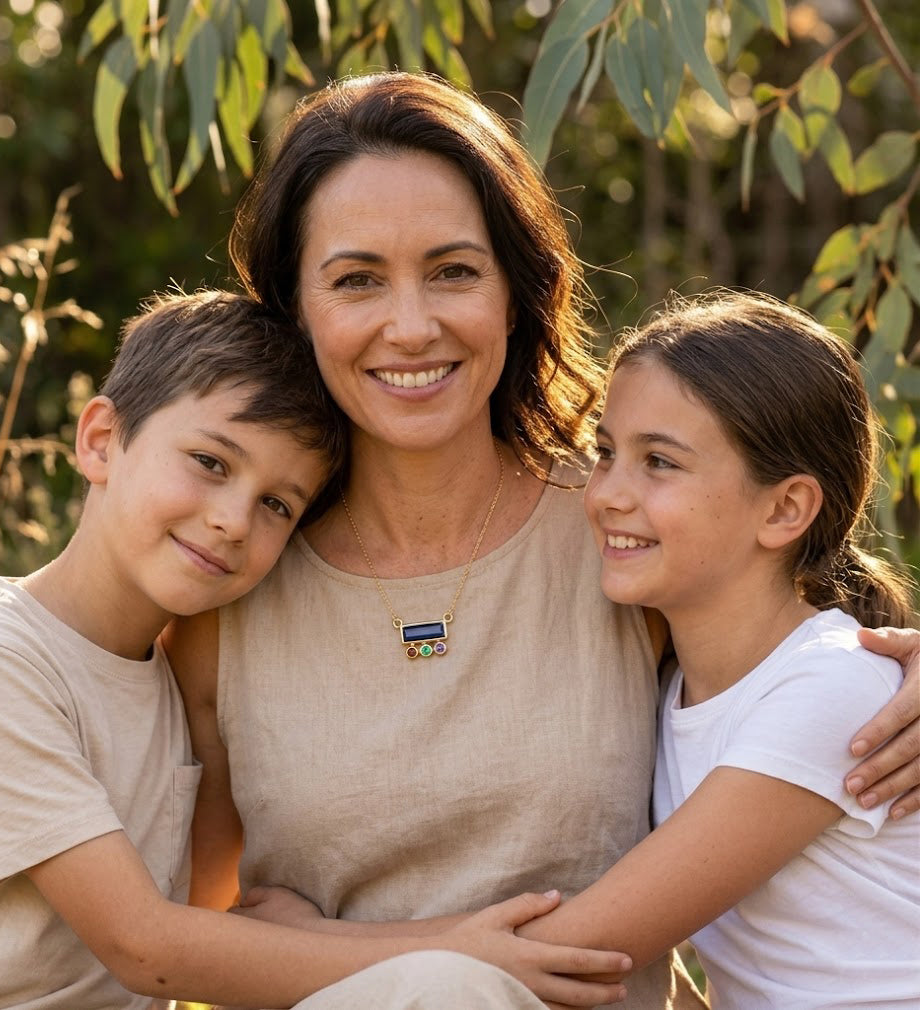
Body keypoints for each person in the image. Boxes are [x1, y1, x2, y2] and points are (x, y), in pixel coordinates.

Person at [166, 73, 920, 1008]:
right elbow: (198, 923)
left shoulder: (621, 539)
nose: (411, 326)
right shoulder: (232, 582)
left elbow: (787, 654)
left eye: (453, 272)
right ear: (295, 308)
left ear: (518, 294)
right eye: (357, 279)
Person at [0, 291, 632, 1010]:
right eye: (210, 463)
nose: (231, 521)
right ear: (100, 442)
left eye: (277, 503)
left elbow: (208, 911)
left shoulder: (169, 671)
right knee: (450, 989)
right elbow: (148, 948)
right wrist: (455, 946)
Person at [574, 292, 919, 1005]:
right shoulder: (670, 685)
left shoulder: (832, 688)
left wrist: (326, 953)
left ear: (785, 509)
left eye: (659, 462)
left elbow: (585, 949)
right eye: (606, 452)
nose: (608, 492)